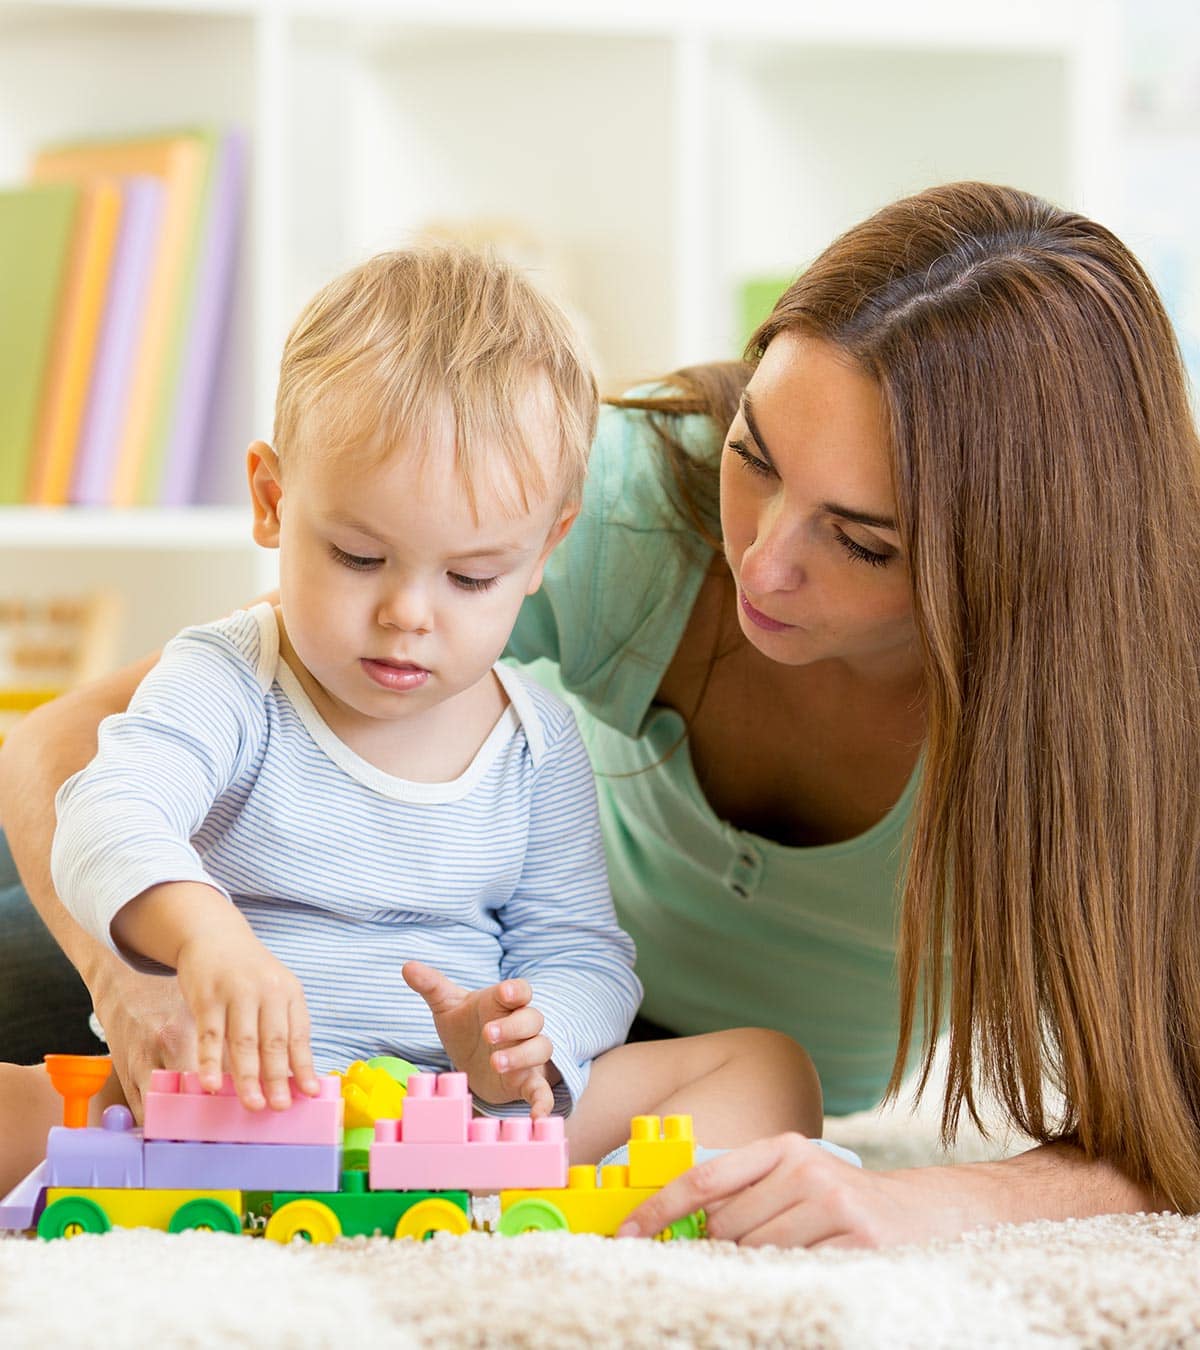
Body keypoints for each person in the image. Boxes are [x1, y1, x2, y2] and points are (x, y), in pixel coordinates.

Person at [1, 180, 1192, 1247]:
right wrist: (141, 973)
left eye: (864, 542)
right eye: (757, 456)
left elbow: (1169, 1118)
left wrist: (919, 1199)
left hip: (546, 1042)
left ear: (1018, 570)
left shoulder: (1126, 710)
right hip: (226, 951)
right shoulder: (572, 493)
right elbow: (72, 752)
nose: (762, 566)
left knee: (757, 1078)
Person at [0, 246, 820, 1196]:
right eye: (357, 556)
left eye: (472, 577)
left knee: (770, 1070)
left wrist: (528, 1036)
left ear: (547, 548)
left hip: (456, 1112)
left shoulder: (537, 741)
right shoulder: (228, 675)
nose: (408, 614)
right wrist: (202, 938)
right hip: (215, 1094)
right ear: (272, 502)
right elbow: (107, 810)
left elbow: (581, 950)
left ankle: (584, 1199)